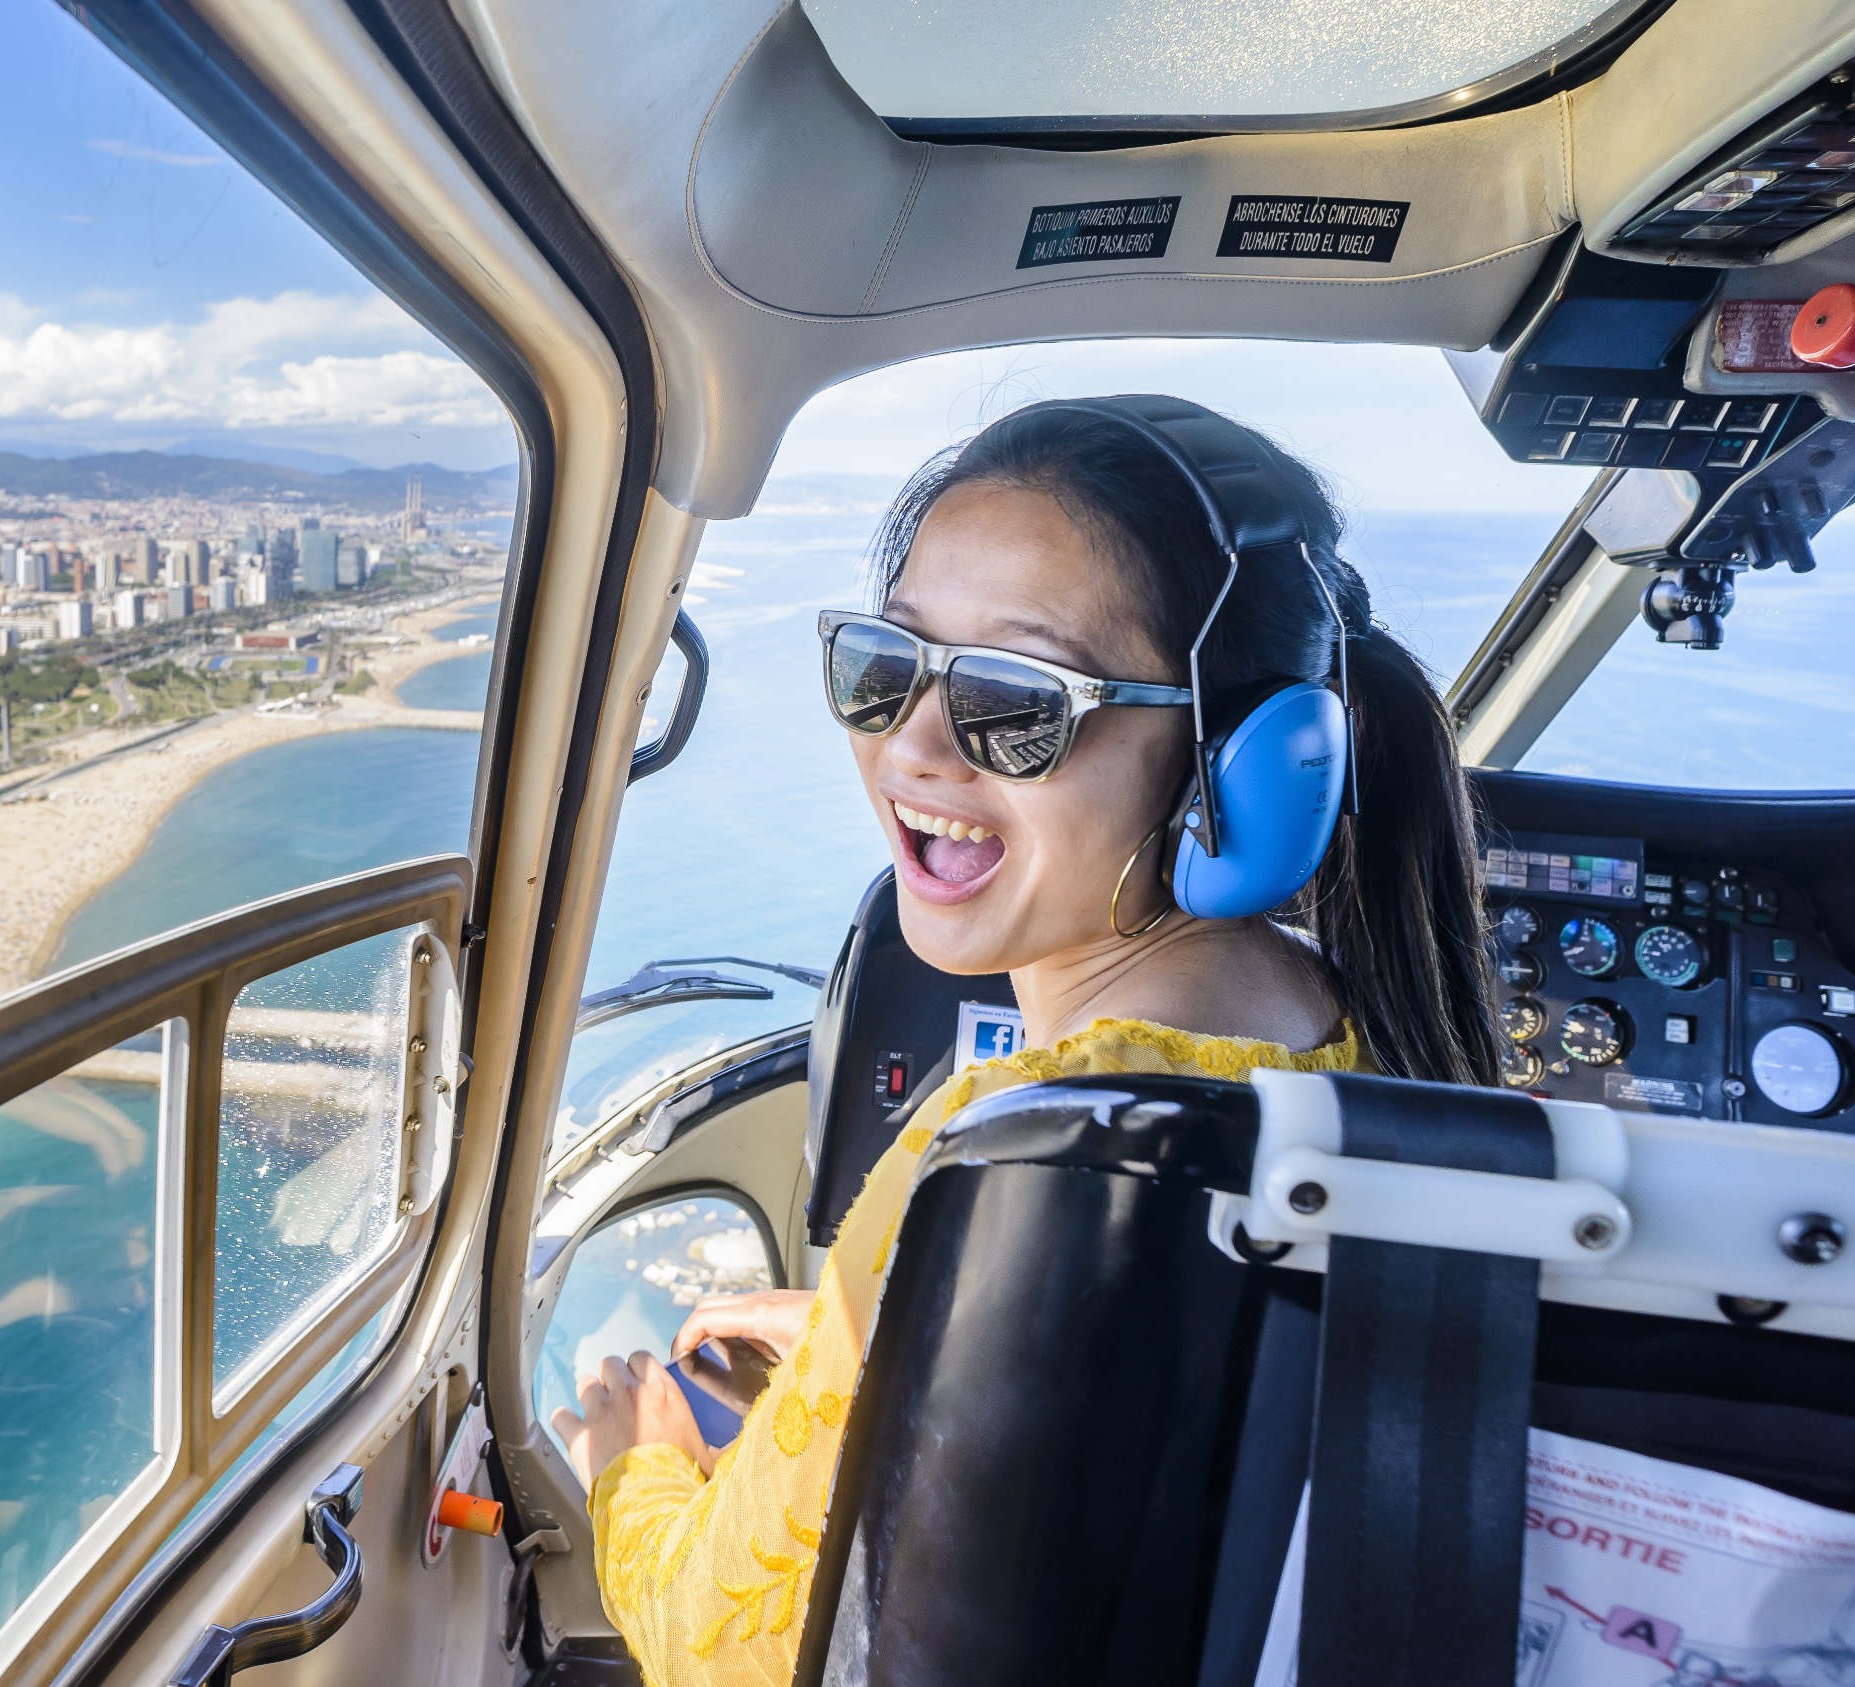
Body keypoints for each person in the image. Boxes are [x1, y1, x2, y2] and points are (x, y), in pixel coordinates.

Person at [550, 398, 1501, 1685]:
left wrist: (637, 1469)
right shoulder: (1353, 1032)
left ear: (1237, 762)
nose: (911, 744)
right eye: (886, 664)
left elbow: (729, 1650)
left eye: (1017, 699)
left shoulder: (1014, 1149)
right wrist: (880, 1340)